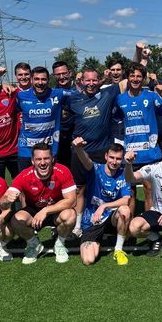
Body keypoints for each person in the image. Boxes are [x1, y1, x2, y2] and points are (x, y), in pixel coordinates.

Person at [0, 143, 78, 264]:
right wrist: (6, 201)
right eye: (38, 159)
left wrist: (46, 210)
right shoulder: (24, 176)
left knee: (70, 215)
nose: (42, 162)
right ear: (32, 161)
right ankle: (34, 244)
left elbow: (72, 200)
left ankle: (60, 244)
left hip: (56, 210)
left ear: (52, 159)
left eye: (46, 158)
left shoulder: (63, 171)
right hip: (33, 210)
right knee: (16, 220)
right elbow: (2, 204)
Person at [65, 68, 123, 221]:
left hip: (101, 150)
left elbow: (130, 79)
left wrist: (141, 57)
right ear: (82, 81)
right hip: (79, 151)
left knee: (102, 187)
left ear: (99, 81)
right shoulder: (72, 99)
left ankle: (103, 218)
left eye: (94, 80)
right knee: (79, 189)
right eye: (88, 80)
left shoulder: (107, 94)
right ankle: (77, 223)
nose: (91, 84)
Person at [117, 64, 162, 214]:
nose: (135, 79)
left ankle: (148, 225)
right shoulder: (120, 99)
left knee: (149, 190)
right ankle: (128, 229)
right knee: (129, 194)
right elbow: (116, 121)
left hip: (150, 153)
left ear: (143, 79)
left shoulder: (151, 95)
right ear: (128, 78)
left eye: (138, 76)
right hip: (130, 155)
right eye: (132, 76)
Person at [72, 138, 132, 266]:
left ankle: (118, 250)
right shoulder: (95, 169)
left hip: (111, 217)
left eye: (118, 159)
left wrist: (104, 206)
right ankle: (98, 240)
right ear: (106, 156)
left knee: (125, 210)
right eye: (111, 157)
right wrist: (78, 148)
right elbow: (85, 160)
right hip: (93, 219)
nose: (114, 162)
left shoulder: (123, 174)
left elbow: (126, 200)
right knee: (88, 260)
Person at [15, 66, 70, 172]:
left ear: (48, 80)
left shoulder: (58, 94)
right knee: (26, 184)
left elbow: (81, 93)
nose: (40, 82)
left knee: (51, 184)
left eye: (43, 79)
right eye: (36, 79)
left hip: (49, 150)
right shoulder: (21, 96)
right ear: (31, 79)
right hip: (26, 150)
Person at [52, 60, 76, 167]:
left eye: (64, 73)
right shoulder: (51, 93)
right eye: (58, 74)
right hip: (59, 141)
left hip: (77, 139)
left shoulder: (81, 89)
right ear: (53, 76)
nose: (61, 77)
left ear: (70, 73)